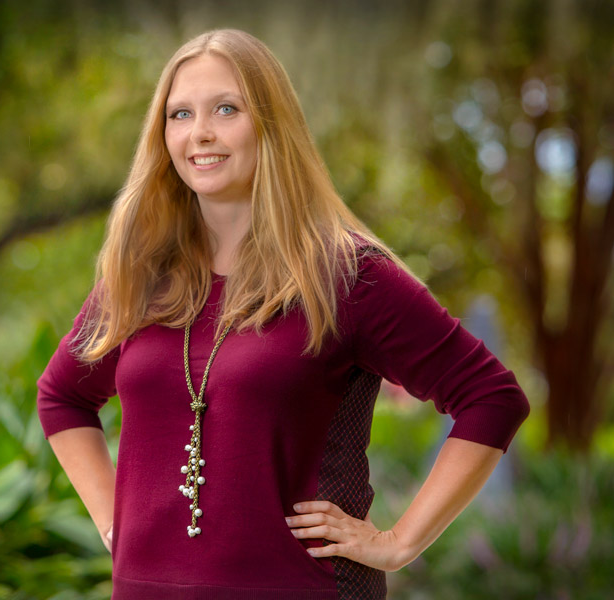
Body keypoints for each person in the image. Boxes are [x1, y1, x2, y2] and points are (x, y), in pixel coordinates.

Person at [36, 29, 529, 599]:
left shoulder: (347, 275)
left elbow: (491, 397)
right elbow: (62, 396)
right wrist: (114, 524)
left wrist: (399, 542)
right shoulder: (138, 274)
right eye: (179, 114)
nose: (200, 133)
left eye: (226, 109)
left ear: (270, 124)